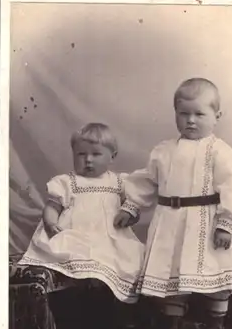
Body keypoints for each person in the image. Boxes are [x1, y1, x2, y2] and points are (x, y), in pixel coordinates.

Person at [114, 78, 232, 329]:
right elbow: (146, 181)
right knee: (171, 273)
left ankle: (216, 326)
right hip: (170, 221)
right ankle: (172, 325)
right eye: (183, 113)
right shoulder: (164, 151)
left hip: (206, 222)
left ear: (216, 116)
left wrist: (225, 223)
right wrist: (131, 207)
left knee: (214, 273)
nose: (190, 120)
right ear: (175, 113)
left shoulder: (220, 152)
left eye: (199, 114)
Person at [19, 122, 144, 303]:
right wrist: (51, 223)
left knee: (129, 258)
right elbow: (53, 206)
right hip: (77, 234)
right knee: (78, 253)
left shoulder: (119, 182)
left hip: (111, 237)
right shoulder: (67, 182)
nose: (88, 160)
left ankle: (108, 303)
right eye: (81, 154)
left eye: (96, 154)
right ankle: (82, 296)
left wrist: (130, 214)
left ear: (112, 156)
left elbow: (133, 205)